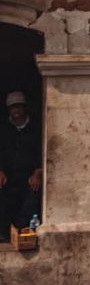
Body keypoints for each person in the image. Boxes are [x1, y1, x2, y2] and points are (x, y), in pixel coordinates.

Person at [0, 92, 42, 240]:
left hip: (29, 175)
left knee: (30, 201)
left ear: (24, 107)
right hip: (9, 175)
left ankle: (24, 235)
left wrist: (38, 172)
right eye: (12, 107)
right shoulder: (4, 128)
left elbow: (42, 152)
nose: (16, 110)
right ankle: (4, 234)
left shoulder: (36, 128)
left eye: (18, 106)